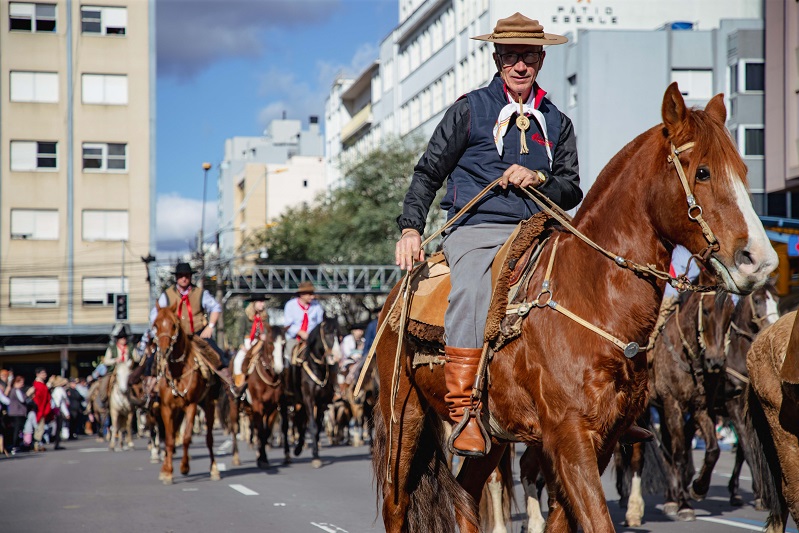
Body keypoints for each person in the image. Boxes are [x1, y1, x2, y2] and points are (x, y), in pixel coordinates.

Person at [149, 262, 228, 368]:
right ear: (176, 277)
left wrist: (210, 326)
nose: (184, 279)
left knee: (218, 356)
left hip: (198, 333)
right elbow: (155, 314)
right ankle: (150, 381)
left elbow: (215, 307)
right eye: (181, 276)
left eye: (186, 276)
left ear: (190, 277)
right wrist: (161, 332)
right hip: (175, 336)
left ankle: (228, 382)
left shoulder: (200, 293)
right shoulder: (167, 295)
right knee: (152, 361)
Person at [283, 281, 325, 397]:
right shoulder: (290, 305)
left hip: (312, 340)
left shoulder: (317, 306)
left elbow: (320, 324)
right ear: (302, 294)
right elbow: (287, 325)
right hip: (294, 338)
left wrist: (312, 336)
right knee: (286, 357)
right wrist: (300, 332)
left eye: (313, 294)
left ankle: (328, 386)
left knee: (325, 356)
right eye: (309, 294)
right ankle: (288, 384)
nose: (312, 296)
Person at [232, 293, 270, 393]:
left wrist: (264, 336)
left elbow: (268, 330)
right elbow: (240, 332)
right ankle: (239, 385)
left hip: (261, 342)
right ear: (254, 303)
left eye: (263, 302)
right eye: (260, 302)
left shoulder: (266, 317)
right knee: (238, 361)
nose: (262, 304)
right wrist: (242, 345)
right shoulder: (245, 317)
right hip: (248, 341)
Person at [28, 368, 52, 452]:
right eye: (42, 373)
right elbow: (37, 398)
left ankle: (38, 444)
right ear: (37, 374)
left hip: (42, 408)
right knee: (39, 428)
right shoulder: (38, 385)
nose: (44, 375)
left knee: (40, 428)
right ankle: (36, 444)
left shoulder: (42, 384)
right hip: (39, 409)